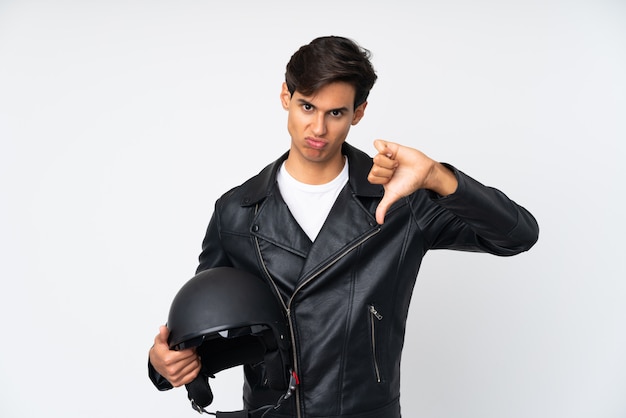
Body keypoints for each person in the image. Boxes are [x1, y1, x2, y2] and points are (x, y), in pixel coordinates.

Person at [148, 35, 539, 418]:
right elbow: (209, 322)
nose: (318, 129)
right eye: (306, 107)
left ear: (359, 112)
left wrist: (437, 176)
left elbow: (517, 236)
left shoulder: (402, 199)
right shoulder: (236, 210)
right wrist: (165, 362)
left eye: (335, 113)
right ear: (286, 97)